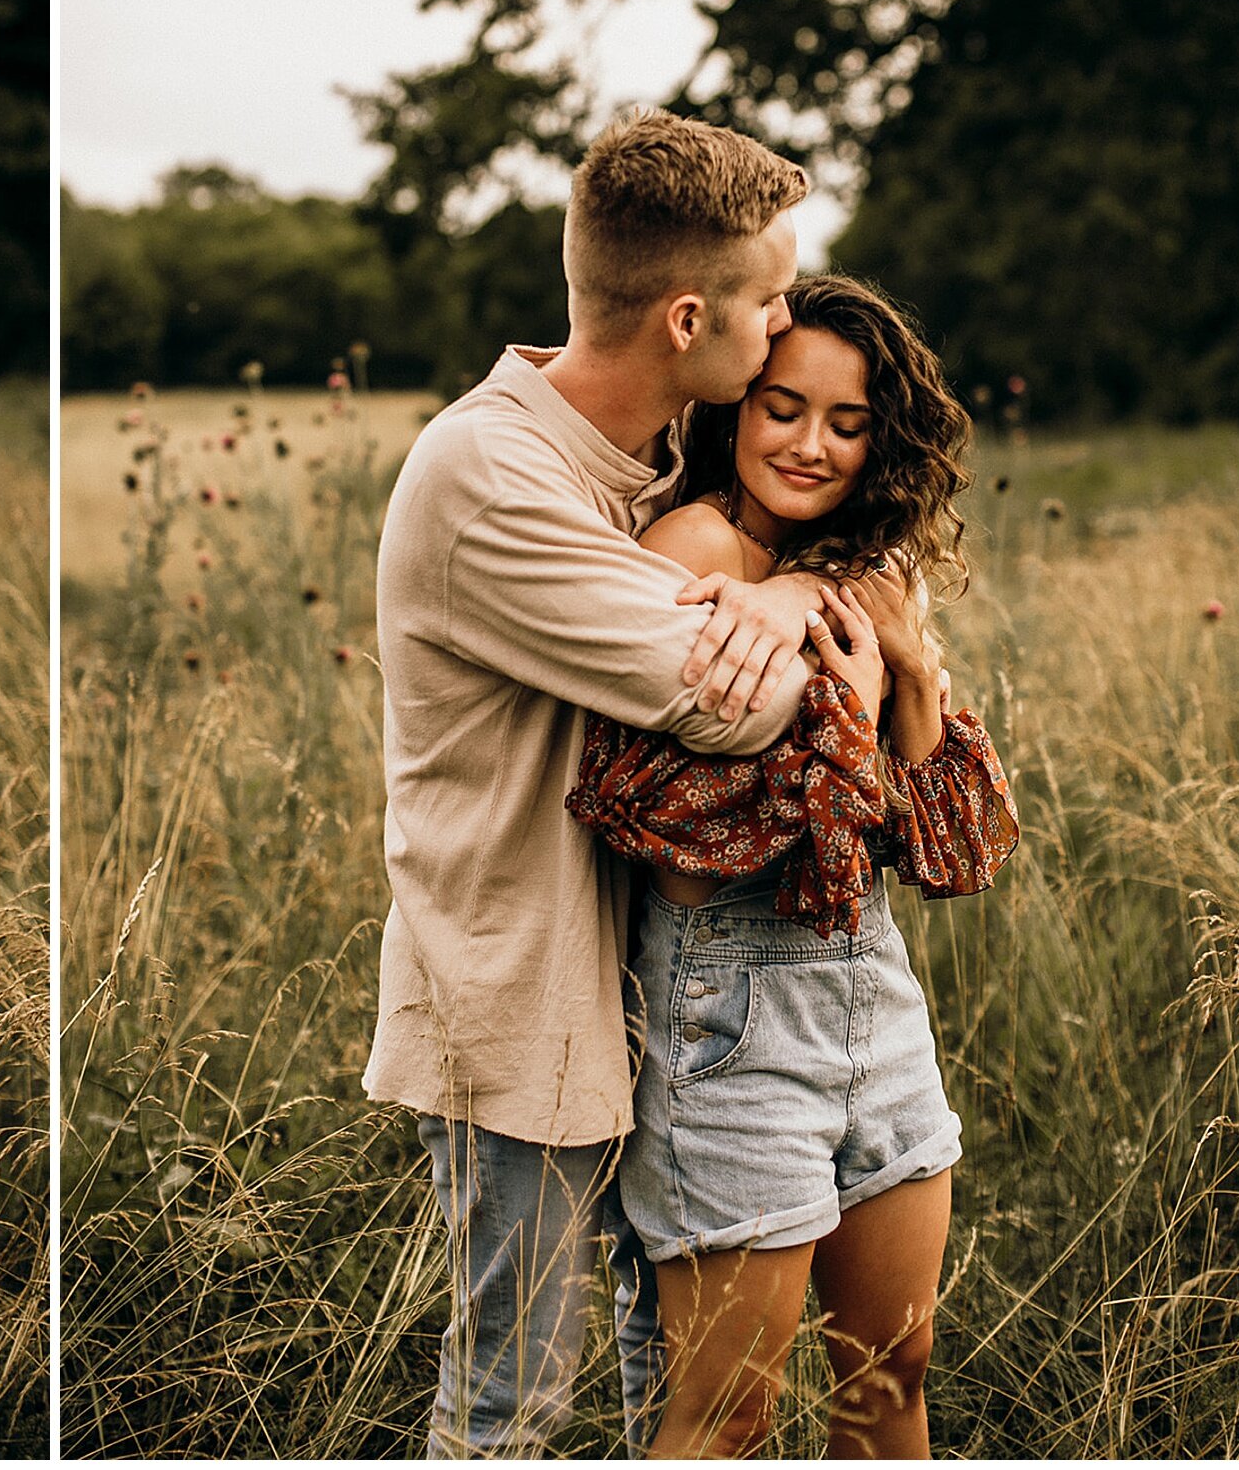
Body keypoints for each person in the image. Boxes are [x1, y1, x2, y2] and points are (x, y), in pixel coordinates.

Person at [370, 108, 877, 1455]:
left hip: (659, 989)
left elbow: (831, 578)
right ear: (688, 318)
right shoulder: (491, 474)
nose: (783, 329)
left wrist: (802, 584)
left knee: (672, 1376)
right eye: (769, 301)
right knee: (513, 1402)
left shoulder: (654, 461)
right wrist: (783, 614)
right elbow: (741, 698)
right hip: (518, 1001)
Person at [566, 273, 1018, 1457]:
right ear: (732, 408)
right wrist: (842, 697)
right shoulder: (689, 548)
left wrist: (909, 675)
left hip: (876, 988)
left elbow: (956, 850)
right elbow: (668, 820)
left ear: (883, 439)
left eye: (847, 422)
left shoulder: (868, 568)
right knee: (724, 1422)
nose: (808, 445)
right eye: (780, 407)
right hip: (730, 1010)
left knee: (893, 1377)